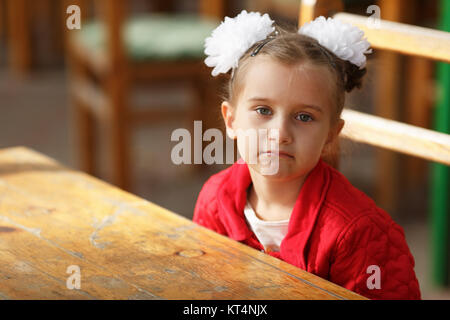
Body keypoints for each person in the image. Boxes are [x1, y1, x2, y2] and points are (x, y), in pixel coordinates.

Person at [193, 10, 421, 300]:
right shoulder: (215, 201)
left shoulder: (360, 233)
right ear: (231, 120)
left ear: (330, 134)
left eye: (304, 116)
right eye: (263, 111)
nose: (280, 133)